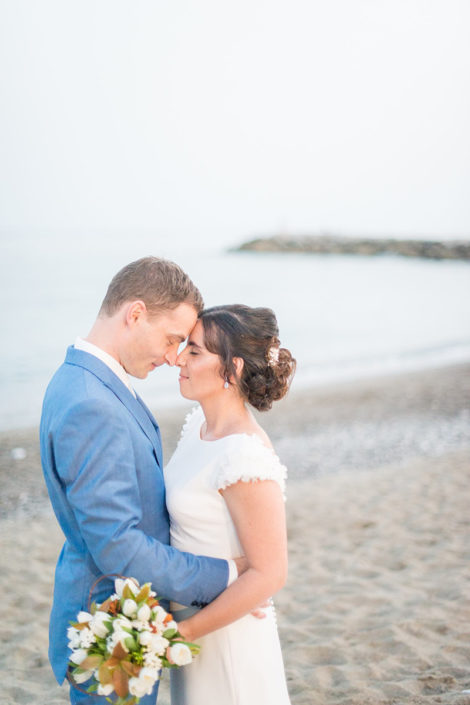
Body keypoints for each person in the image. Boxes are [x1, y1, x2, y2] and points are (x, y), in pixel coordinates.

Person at [39, 257, 246, 705]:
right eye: (172, 338)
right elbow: (118, 545)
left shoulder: (85, 379)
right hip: (111, 629)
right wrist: (228, 575)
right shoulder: (92, 403)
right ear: (135, 314)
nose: (174, 356)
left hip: (124, 614)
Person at [164, 304, 296, 705]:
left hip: (223, 636)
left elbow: (270, 573)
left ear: (232, 369)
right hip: (187, 623)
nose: (178, 359)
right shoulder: (197, 428)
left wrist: (181, 634)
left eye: (195, 351)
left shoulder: (243, 454)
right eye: (184, 346)